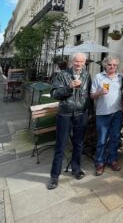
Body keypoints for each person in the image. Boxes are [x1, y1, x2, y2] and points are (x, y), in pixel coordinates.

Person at [46, 52, 91, 190]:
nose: (79, 64)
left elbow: (88, 94)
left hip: (80, 114)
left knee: (78, 144)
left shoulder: (86, 75)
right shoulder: (63, 75)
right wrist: (68, 88)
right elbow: (54, 94)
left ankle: (76, 169)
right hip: (65, 114)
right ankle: (54, 176)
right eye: (76, 61)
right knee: (60, 145)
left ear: (84, 63)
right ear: (72, 62)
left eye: (81, 62)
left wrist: (88, 111)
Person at [90, 55, 123, 176]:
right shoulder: (99, 77)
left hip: (117, 112)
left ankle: (112, 160)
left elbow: (122, 93)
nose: (112, 67)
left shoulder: (120, 77)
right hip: (102, 113)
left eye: (114, 65)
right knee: (102, 139)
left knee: (115, 138)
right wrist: (99, 92)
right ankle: (100, 163)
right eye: (110, 64)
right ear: (105, 65)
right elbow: (91, 95)